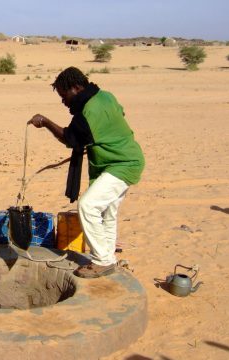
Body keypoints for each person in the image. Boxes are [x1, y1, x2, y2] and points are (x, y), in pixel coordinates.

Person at [28, 66, 145, 279]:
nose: (64, 102)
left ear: (76, 87)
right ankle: (107, 257)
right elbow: (119, 115)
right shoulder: (106, 96)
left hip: (122, 164)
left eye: (64, 96)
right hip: (123, 160)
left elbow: (69, 138)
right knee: (107, 213)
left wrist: (45, 122)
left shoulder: (88, 111)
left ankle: (102, 261)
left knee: (88, 205)